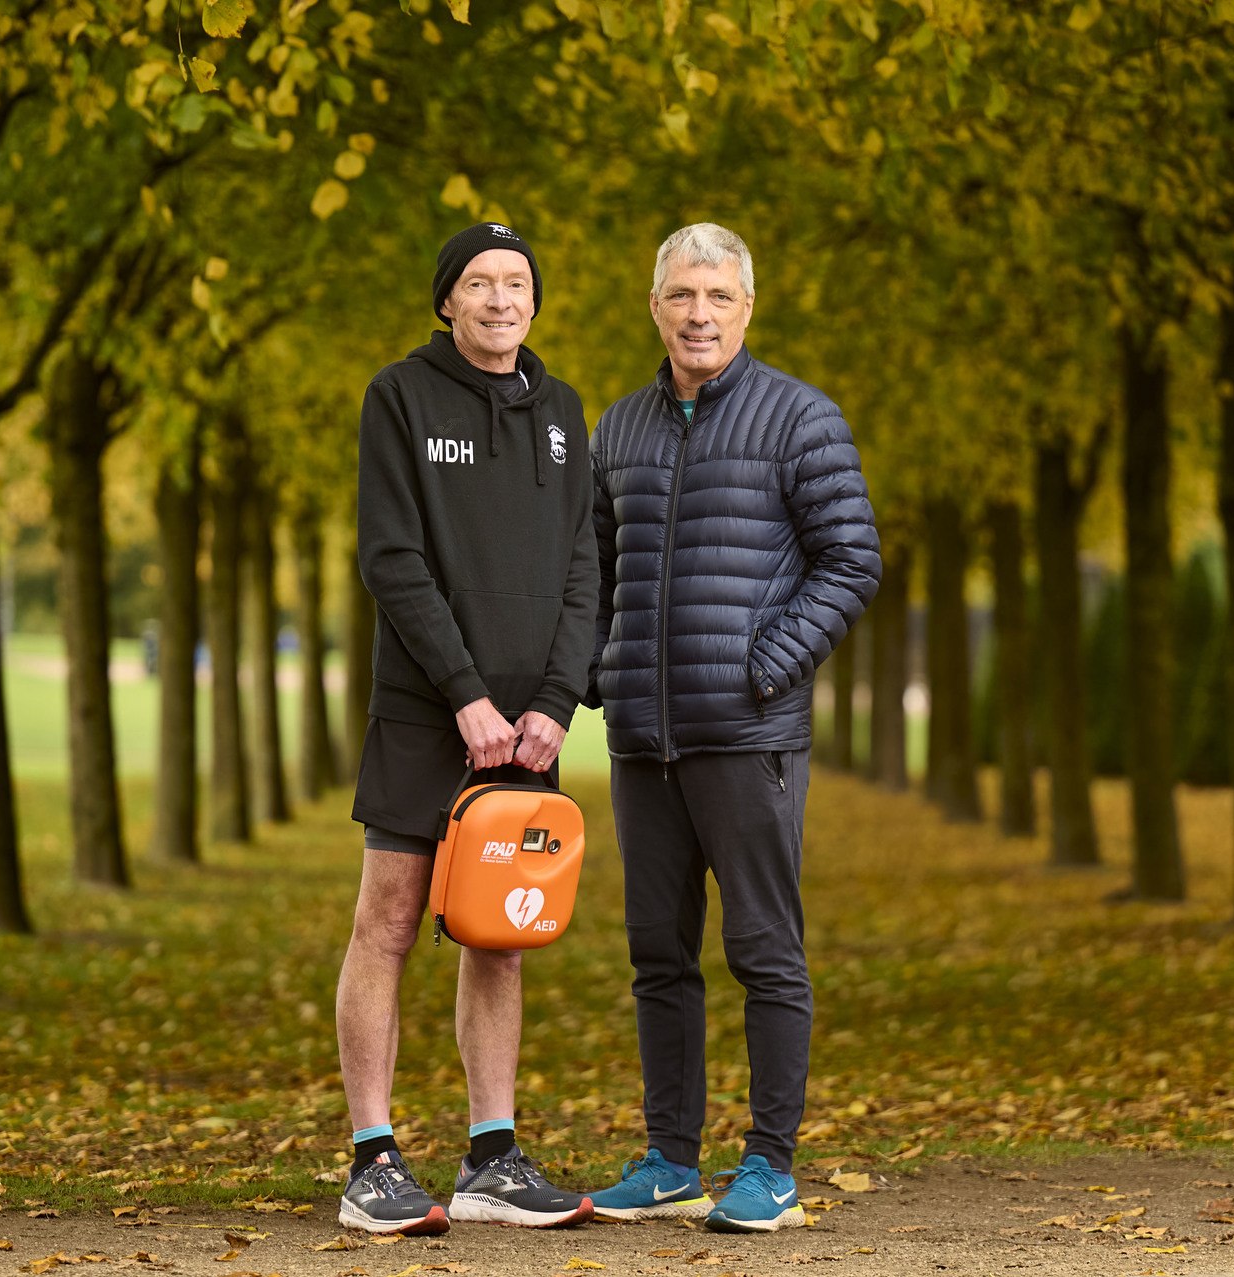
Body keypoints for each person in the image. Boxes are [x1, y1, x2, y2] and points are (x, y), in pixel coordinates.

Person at [585, 223, 881, 1232]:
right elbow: (595, 570)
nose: (698, 313)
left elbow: (851, 560)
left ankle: (769, 1163)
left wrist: (766, 663)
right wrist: (596, 671)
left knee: (765, 949)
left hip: (748, 736)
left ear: (747, 308)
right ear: (655, 306)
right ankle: (671, 1157)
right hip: (642, 742)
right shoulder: (617, 428)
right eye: (680, 295)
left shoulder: (800, 418)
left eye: (717, 295)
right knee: (657, 954)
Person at [336, 223, 597, 1235]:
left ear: (536, 300)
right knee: (389, 924)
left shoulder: (567, 412)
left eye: (517, 282)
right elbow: (392, 556)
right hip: (429, 709)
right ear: (447, 300)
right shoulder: (398, 398)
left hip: (531, 728)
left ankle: (493, 1155)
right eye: (479, 282)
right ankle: (373, 1162)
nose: (500, 298)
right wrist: (465, 693)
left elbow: (585, 565)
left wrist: (554, 704)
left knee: (501, 934)